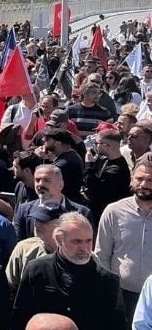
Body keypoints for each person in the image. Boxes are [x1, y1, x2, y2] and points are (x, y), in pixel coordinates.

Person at [13, 213, 128, 330]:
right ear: (59, 239)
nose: (84, 248)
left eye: (88, 241)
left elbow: (117, 324)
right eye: (77, 242)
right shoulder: (37, 271)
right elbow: (21, 317)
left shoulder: (107, 280)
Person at [96, 157, 152, 319]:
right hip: (122, 295)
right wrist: (107, 291)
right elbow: (102, 255)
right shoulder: (113, 211)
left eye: (150, 180)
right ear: (131, 179)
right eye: (139, 178)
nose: (144, 184)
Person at [12, 164, 91, 241]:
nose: (41, 184)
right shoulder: (24, 210)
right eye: (37, 180)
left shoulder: (82, 212)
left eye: (47, 180)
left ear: (60, 184)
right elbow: (18, 244)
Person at [5, 200, 67, 293]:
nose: (36, 224)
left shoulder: (74, 249)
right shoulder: (24, 247)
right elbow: (10, 284)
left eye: (43, 221)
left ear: (60, 224)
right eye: (36, 219)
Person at [84, 127, 131, 219]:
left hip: (108, 215)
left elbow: (94, 189)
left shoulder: (116, 170)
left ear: (106, 146)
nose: (95, 146)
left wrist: (88, 165)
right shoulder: (105, 159)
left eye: (97, 143)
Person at [44, 127, 87, 204]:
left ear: (57, 143)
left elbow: (44, 183)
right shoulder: (72, 155)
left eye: (47, 139)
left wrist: (41, 159)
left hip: (64, 205)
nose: (44, 141)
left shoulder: (63, 164)